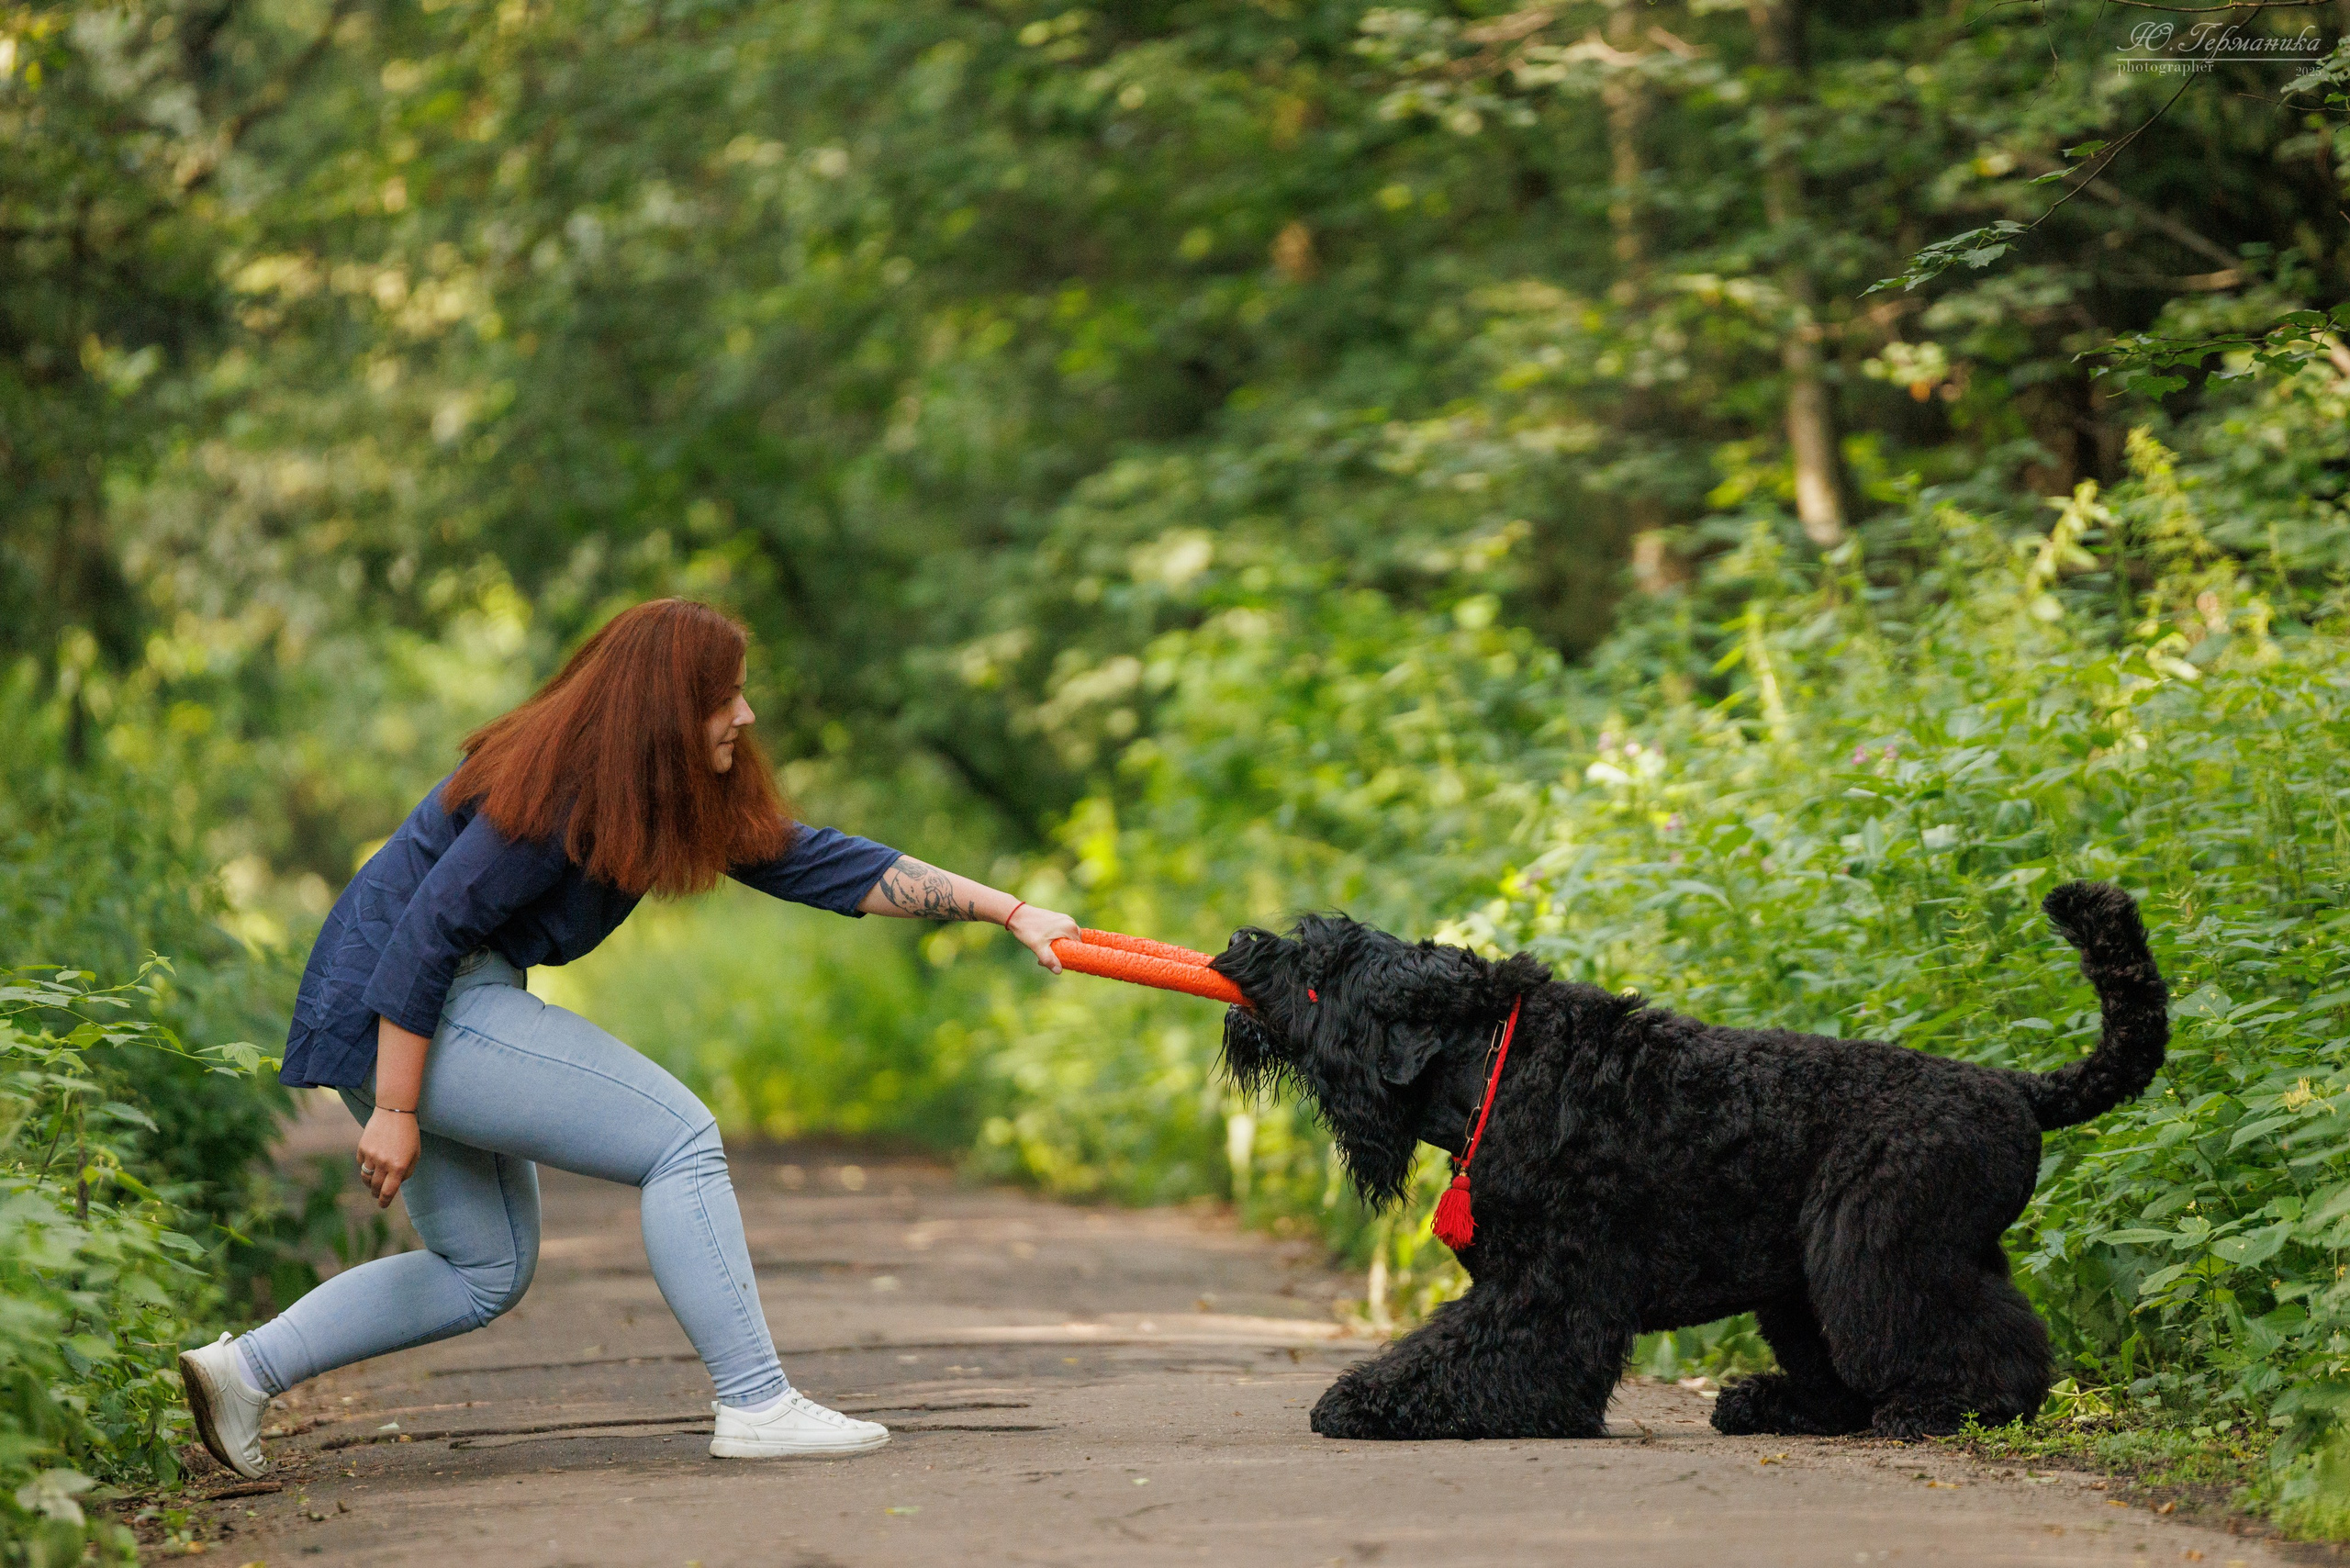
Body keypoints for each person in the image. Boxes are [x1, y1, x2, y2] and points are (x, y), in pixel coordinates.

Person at [175, 599, 1079, 1474]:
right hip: (413, 1001)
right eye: (726, 697)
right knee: (678, 1138)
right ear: (669, 710)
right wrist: (398, 1106)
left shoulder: (647, 789)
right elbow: (429, 933)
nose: (746, 713)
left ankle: (244, 1370)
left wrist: (1009, 911)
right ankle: (757, 1401)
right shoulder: (559, 791)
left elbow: (822, 862)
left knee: (483, 1269)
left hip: (403, 1001)